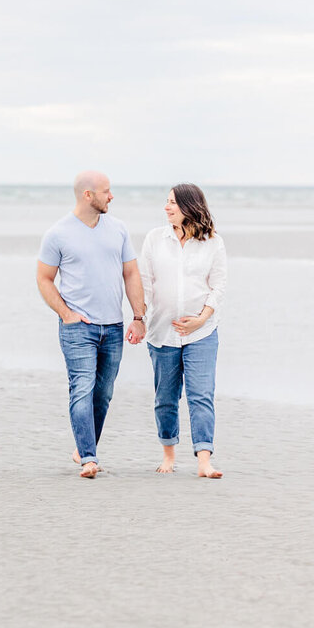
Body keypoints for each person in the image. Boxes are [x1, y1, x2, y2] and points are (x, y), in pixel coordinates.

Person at [35, 171, 148, 478]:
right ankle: (88, 458)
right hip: (78, 328)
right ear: (88, 195)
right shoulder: (58, 234)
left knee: (104, 393)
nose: (111, 196)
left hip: (112, 327)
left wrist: (138, 317)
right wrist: (66, 313)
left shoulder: (119, 230)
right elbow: (44, 279)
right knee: (82, 388)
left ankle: (83, 447)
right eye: (106, 191)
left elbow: (131, 274)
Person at [138, 183, 228, 479]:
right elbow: (145, 283)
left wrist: (202, 318)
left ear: (190, 206)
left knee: (201, 395)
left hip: (202, 333)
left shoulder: (213, 242)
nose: (166, 207)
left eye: (172, 203)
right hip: (162, 333)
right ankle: (168, 453)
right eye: (166, 202)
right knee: (165, 397)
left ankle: (204, 460)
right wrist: (139, 317)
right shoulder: (154, 239)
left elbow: (218, 286)